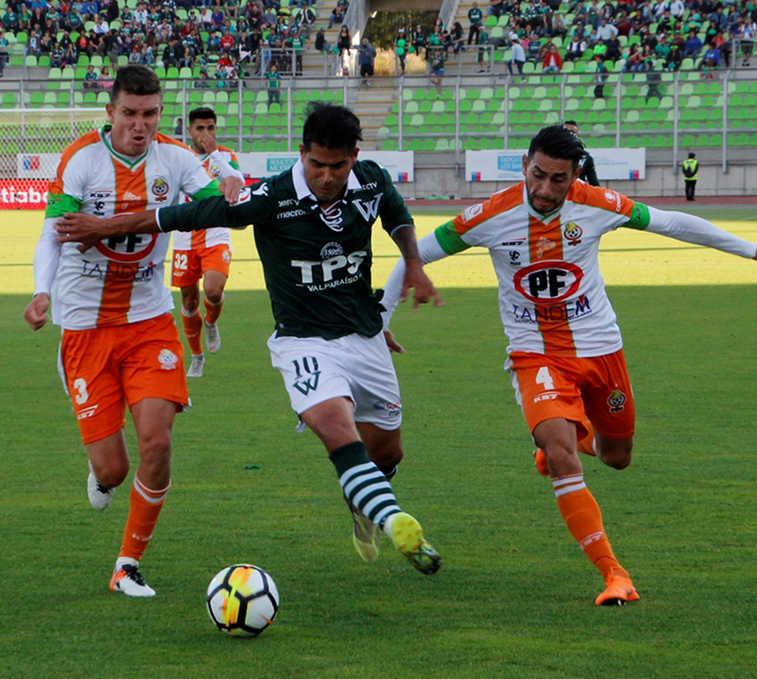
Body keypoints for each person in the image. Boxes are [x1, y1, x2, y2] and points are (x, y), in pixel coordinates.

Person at [381, 125, 757, 605]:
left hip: (601, 350)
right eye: (537, 174)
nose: (544, 189)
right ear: (524, 165)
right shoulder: (492, 214)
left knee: (618, 457)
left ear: (575, 175)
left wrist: (750, 249)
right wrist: (379, 320)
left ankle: (568, 439)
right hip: (534, 352)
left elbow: (672, 221)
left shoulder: (596, 204)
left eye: (558, 179)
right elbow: (414, 257)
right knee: (561, 455)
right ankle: (614, 574)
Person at [55, 103, 444, 577]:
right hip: (302, 342)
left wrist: (416, 266)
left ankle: (363, 503)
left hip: (363, 338)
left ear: (354, 157)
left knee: (386, 453)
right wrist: (103, 227)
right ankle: (394, 520)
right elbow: (180, 216)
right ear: (301, 153)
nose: (325, 175)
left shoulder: (372, 179)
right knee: (336, 430)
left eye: (336, 166)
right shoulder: (272, 198)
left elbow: (398, 217)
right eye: (316, 163)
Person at [22, 65, 244, 598]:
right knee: (114, 469)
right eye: (129, 114)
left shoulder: (176, 158)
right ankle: (101, 475)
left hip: (149, 322)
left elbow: (215, 199)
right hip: (86, 325)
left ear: (158, 113)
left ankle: (127, 565)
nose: (139, 125)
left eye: (149, 114)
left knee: (157, 440)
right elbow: (54, 235)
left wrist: (231, 185)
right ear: (111, 112)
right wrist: (40, 290)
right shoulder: (81, 159)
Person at [171, 106, 242, 378]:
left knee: (213, 292)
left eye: (210, 128)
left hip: (215, 232)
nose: (205, 133)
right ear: (189, 130)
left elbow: (237, 184)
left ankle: (211, 321)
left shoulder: (226, 155)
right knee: (189, 303)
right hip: (184, 237)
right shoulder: (177, 156)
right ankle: (196, 356)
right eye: (199, 128)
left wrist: (213, 153)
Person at [563, 121, 599, 186]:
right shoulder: (551, 155)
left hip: (578, 194)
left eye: (572, 132)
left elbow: (594, 184)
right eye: (565, 132)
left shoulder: (586, 157)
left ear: (578, 135)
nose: (569, 135)